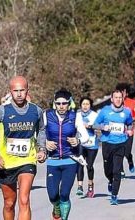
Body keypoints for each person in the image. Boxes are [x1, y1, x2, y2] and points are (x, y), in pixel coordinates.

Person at [0, 76, 46, 220]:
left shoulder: (36, 111)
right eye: (16, 91)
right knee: (9, 203)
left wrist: (41, 149)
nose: (19, 94)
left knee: (24, 200)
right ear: (10, 92)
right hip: (6, 163)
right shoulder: (1, 111)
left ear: (27, 90)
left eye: (22, 90)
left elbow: (41, 130)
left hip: (27, 160)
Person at [44, 89, 89, 220]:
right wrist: (45, 143)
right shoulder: (47, 115)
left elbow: (85, 136)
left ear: (69, 104)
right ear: (54, 104)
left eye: (64, 103)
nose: (61, 106)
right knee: (53, 196)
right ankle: (56, 206)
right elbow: (37, 134)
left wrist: (78, 140)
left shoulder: (75, 116)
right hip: (53, 160)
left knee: (64, 194)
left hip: (70, 160)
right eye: (58, 103)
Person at [93, 89, 134, 205]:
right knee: (108, 170)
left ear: (123, 98)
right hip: (107, 143)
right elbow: (95, 124)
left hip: (121, 143)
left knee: (117, 170)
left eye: (120, 97)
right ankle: (110, 180)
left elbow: (130, 123)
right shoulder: (105, 111)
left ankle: (114, 195)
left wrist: (130, 130)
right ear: (111, 99)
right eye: (116, 97)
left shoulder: (126, 112)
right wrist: (103, 127)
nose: (118, 100)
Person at [116, 83, 135, 177]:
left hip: (129, 131)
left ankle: (130, 160)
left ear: (126, 92)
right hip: (118, 132)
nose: (122, 94)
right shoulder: (114, 104)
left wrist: (129, 119)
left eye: (124, 91)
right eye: (120, 92)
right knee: (119, 151)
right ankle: (121, 170)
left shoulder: (132, 103)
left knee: (127, 152)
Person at [76, 97, 99, 198]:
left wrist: (90, 126)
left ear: (90, 105)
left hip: (92, 143)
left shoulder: (94, 115)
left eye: (87, 104)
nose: (85, 106)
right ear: (80, 105)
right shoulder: (77, 115)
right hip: (81, 142)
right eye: (83, 104)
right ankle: (80, 187)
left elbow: (100, 126)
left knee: (89, 166)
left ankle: (90, 186)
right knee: (80, 163)